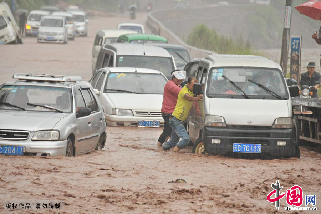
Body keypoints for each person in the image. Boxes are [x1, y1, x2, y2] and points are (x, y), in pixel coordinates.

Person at [162, 77, 203, 152]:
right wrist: (197, 98)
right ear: (188, 84)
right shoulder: (184, 90)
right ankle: (175, 154)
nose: (194, 87)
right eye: (193, 85)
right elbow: (188, 98)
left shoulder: (192, 92)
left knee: (173, 142)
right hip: (176, 119)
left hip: (178, 119)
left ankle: (162, 149)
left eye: (196, 86)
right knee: (186, 139)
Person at [157, 70, 185, 147]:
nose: (180, 81)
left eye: (181, 79)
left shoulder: (178, 85)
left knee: (171, 131)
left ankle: (162, 145)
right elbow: (181, 93)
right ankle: (160, 145)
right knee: (168, 131)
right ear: (173, 78)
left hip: (173, 111)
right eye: (178, 79)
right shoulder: (170, 85)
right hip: (168, 112)